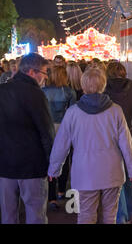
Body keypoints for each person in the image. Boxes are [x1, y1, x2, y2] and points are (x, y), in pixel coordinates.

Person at [47, 68, 132, 224]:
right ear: (103, 86)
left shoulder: (73, 112)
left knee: (86, 215)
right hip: (112, 172)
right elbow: (127, 143)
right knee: (110, 216)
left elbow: (61, 143)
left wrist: (54, 168)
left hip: (85, 173)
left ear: (83, 86)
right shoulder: (115, 111)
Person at [0, 53, 55, 224]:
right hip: (32, 166)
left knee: (8, 215)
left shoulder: (2, 91)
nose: (45, 78)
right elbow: (46, 132)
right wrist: (52, 163)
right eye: (45, 72)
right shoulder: (36, 95)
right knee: (35, 214)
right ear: (32, 72)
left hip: (5, 165)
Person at [104, 62, 132, 224]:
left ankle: (122, 215)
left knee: (117, 178)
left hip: (111, 136)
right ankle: (131, 211)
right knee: (131, 175)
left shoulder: (104, 89)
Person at [42, 66, 77, 209]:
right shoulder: (69, 92)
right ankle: (62, 190)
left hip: (48, 127)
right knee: (65, 160)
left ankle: (51, 197)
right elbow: (73, 113)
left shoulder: (43, 92)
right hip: (65, 128)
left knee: (50, 161)